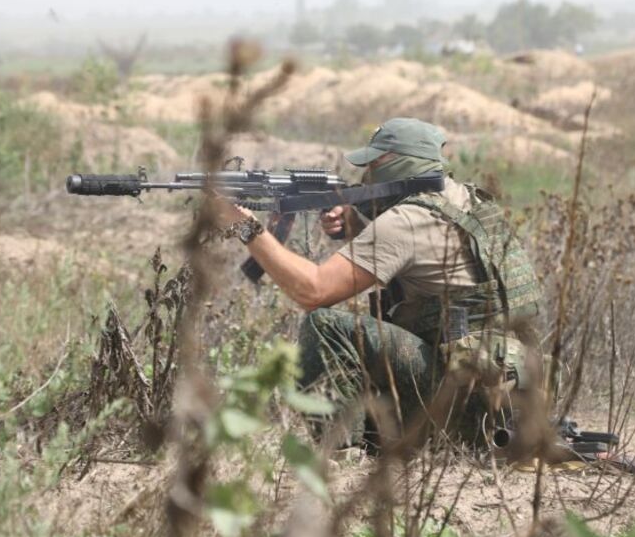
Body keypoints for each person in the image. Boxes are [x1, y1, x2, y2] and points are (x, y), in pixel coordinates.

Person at [212, 117, 544, 453]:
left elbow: (312, 291)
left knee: (324, 326)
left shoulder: (406, 222)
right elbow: (423, 258)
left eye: (375, 162)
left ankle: (342, 452)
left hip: (462, 406)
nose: (367, 171)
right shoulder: (467, 201)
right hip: (505, 395)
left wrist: (247, 228)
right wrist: (354, 223)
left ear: (400, 164)